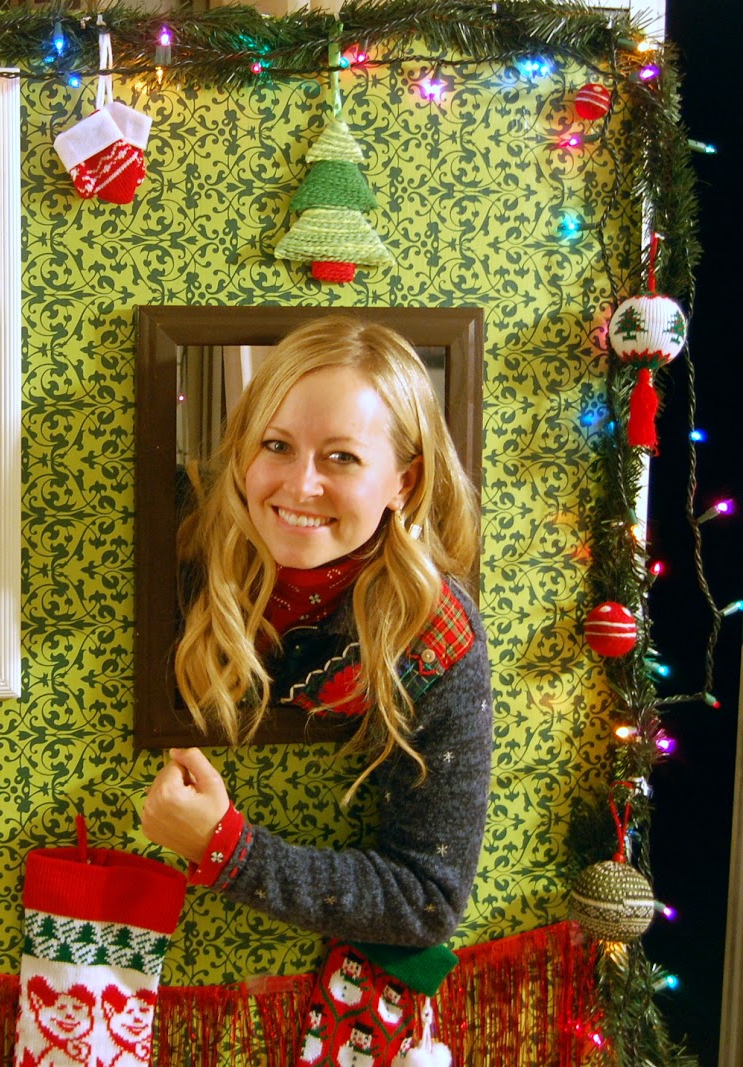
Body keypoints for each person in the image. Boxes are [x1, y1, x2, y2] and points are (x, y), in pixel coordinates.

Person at [139, 315, 490, 1065]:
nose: (301, 484)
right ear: (242, 451)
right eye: (277, 445)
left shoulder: (436, 635)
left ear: (406, 480)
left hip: (313, 1016)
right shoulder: (181, 557)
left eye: (341, 457)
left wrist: (226, 848)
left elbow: (428, 895)